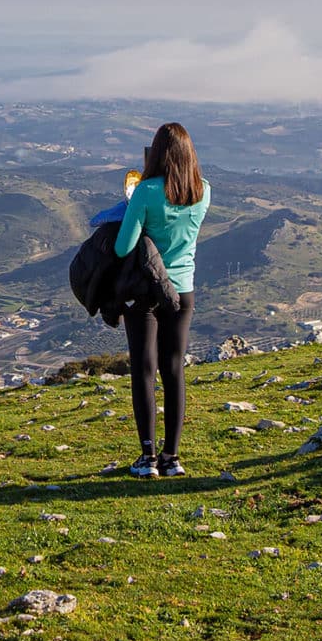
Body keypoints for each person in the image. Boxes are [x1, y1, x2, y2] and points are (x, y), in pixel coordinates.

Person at [114, 122, 212, 477]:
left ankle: (147, 457)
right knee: (174, 369)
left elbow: (123, 246)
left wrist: (130, 209)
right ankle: (172, 457)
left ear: (156, 153)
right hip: (184, 291)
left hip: (146, 292)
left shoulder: (146, 192)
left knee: (144, 370)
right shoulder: (204, 192)